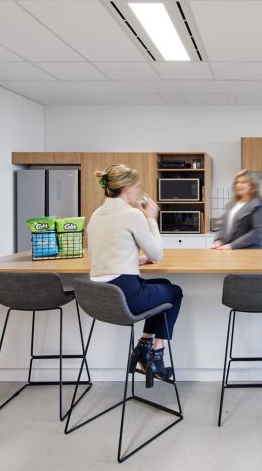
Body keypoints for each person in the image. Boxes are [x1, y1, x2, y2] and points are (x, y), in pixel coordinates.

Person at [87, 164, 182, 386]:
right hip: (126, 295)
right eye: (137, 186)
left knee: (163, 284)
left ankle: (143, 347)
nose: (139, 190)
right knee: (174, 292)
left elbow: (98, 255)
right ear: (126, 187)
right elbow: (156, 254)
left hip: (101, 296)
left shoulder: (96, 214)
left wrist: (132, 259)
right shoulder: (132, 215)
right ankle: (156, 357)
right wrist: (150, 218)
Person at [211, 169, 262, 250]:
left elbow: (257, 232)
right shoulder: (232, 204)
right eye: (236, 182)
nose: (238, 185)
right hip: (232, 252)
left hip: (252, 252)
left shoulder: (258, 204)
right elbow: (223, 226)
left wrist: (231, 246)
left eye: (243, 182)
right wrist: (218, 241)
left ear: (252, 185)